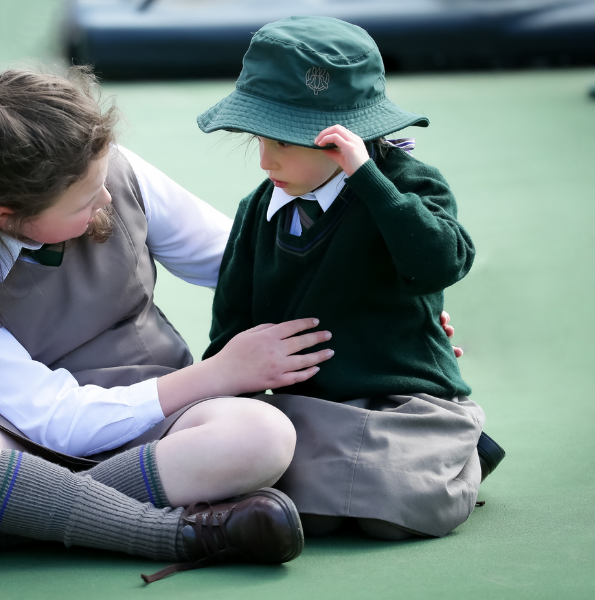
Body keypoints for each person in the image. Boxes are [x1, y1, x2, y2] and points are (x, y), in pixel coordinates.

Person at [0, 68, 339, 582]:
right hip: (21, 437)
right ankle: (169, 533)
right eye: (85, 201)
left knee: (262, 434)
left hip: (156, 421)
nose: (107, 200)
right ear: (7, 217)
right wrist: (220, 374)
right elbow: (56, 420)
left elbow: (241, 264)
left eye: (102, 181)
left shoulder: (113, 171)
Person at [199, 16, 504, 540]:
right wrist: (226, 395)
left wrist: (369, 180)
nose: (266, 160)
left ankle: (465, 448)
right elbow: (231, 321)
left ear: (345, 142)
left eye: (287, 142)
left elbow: (442, 262)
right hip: (311, 406)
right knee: (310, 517)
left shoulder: (408, 184)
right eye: (259, 139)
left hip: (403, 400)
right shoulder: (258, 210)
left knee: (395, 517)